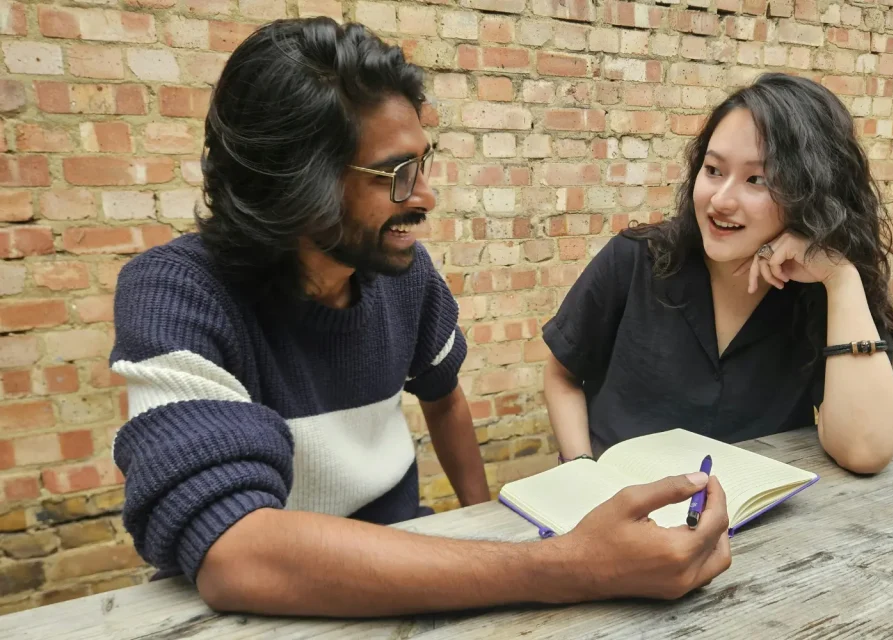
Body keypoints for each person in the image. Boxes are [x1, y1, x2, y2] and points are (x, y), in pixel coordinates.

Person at [109, 18, 731, 618]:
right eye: (397, 175)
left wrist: (485, 519)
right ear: (298, 184)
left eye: (424, 164)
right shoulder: (178, 294)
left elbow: (444, 397)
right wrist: (568, 567)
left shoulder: (398, 276)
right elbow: (236, 555)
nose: (426, 197)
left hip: (410, 568)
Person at [544, 73, 893, 475]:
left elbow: (866, 451)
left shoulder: (818, 291)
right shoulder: (635, 259)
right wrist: (579, 472)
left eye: (757, 180)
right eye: (714, 170)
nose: (720, 200)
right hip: (616, 509)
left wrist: (841, 279)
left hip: (763, 524)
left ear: (813, 193)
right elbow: (562, 374)